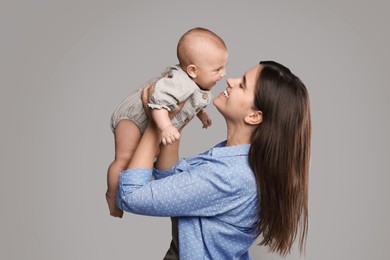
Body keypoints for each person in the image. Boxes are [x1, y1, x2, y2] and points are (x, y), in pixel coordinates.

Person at [115, 61, 312, 259]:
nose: (230, 81)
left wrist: (153, 122)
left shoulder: (230, 174)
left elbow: (130, 196)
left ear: (254, 116)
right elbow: (170, 180)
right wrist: (175, 122)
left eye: (242, 85)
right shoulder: (235, 158)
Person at [106, 27, 228, 217]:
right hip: (133, 117)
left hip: (153, 120)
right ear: (193, 71)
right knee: (124, 159)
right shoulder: (179, 81)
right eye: (217, 69)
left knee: (148, 155)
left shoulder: (198, 84)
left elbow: (190, 102)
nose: (223, 74)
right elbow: (157, 102)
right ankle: (112, 195)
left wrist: (201, 114)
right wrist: (165, 126)